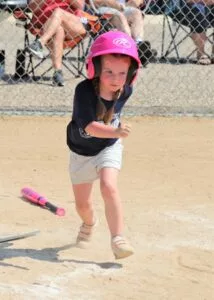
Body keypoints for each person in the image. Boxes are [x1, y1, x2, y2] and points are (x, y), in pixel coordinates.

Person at [66, 31, 140, 259]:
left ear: (131, 74)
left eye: (122, 73)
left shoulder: (125, 90)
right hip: (81, 152)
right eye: (108, 71)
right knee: (83, 206)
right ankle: (89, 224)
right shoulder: (84, 91)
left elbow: (108, 126)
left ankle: (118, 238)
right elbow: (89, 126)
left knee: (109, 186)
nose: (116, 79)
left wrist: (115, 135)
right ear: (94, 69)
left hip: (109, 146)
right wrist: (116, 130)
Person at [27, 0, 96, 86]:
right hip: (47, 26)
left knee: (58, 12)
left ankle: (40, 43)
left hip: (72, 24)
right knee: (59, 29)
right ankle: (58, 72)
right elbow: (32, 7)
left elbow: (79, 6)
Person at [86, 0, 157, 66]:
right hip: (104, 9)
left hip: (125, 7)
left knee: (136, 13)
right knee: (120, 16)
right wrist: (114, 4)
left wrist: (134, 2)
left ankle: (138, 43)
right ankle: (135, 50)